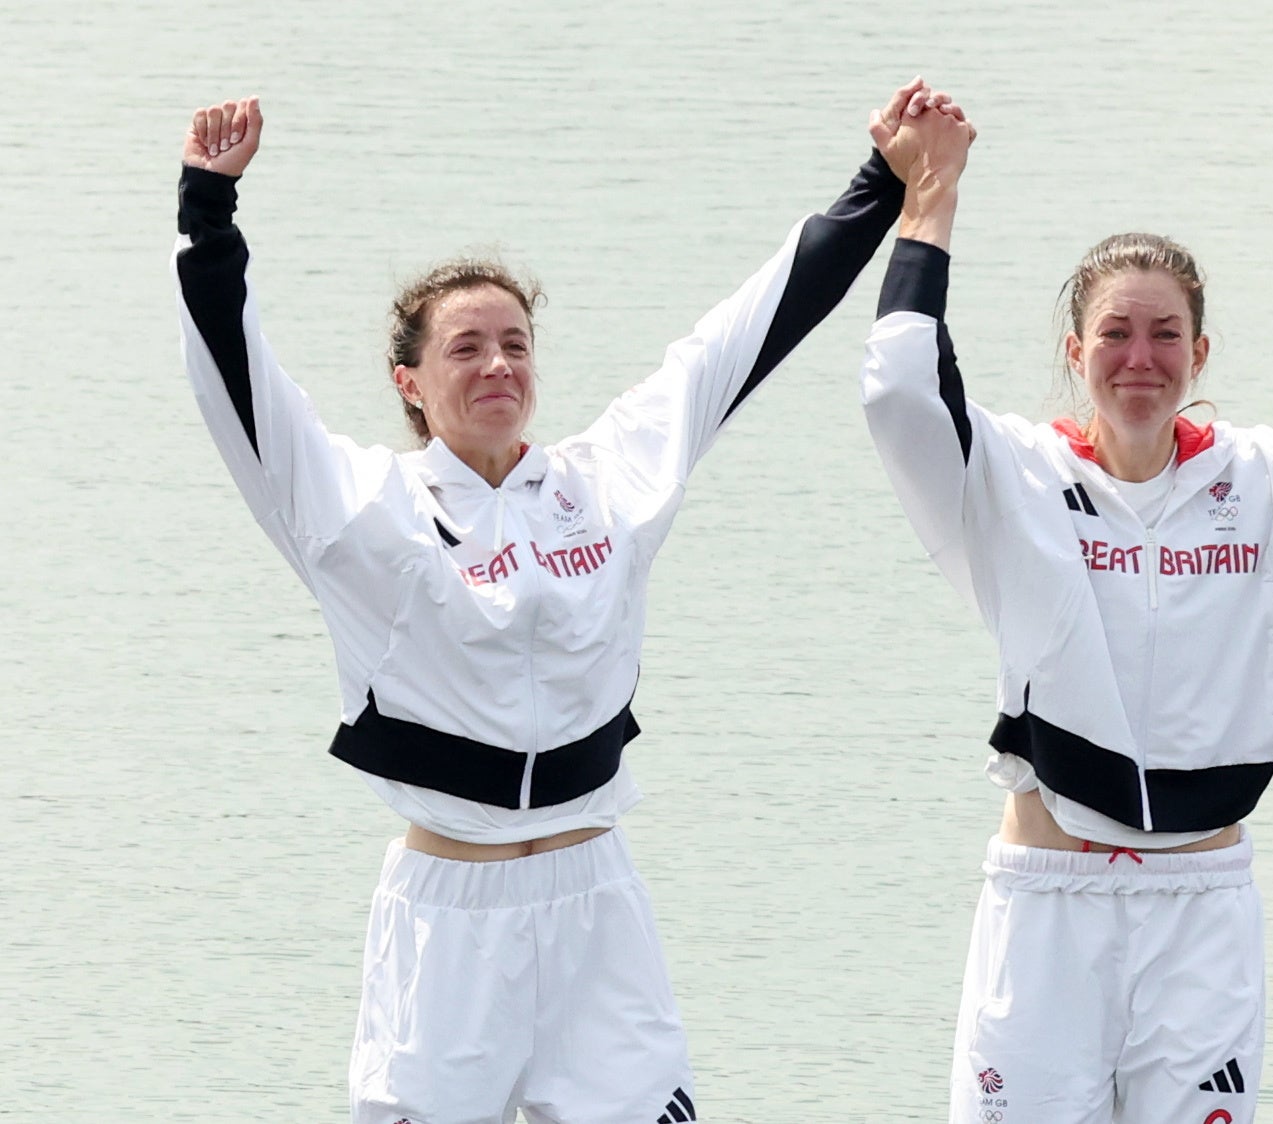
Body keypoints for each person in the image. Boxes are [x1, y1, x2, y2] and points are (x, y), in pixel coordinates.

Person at [174, 83, 942, 1124]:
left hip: (595, 904)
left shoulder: (609, 478)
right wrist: (208, 210)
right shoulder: (356, 508)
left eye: (516, 342)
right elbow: (238, 381)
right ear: (407, 380)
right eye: (465, 347)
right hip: (450, 923)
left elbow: (748, 333)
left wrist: (880, 183)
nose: (498, 363)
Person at [861, 102, 1273, 1124]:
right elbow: (902, 387)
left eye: (1166, 334)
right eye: (1115, 334)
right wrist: (930, 199)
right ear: (1075, 349)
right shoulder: (1012, 481)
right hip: (1049, 906)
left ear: (1200, 355)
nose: (1140, 358)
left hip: (1200, 915)